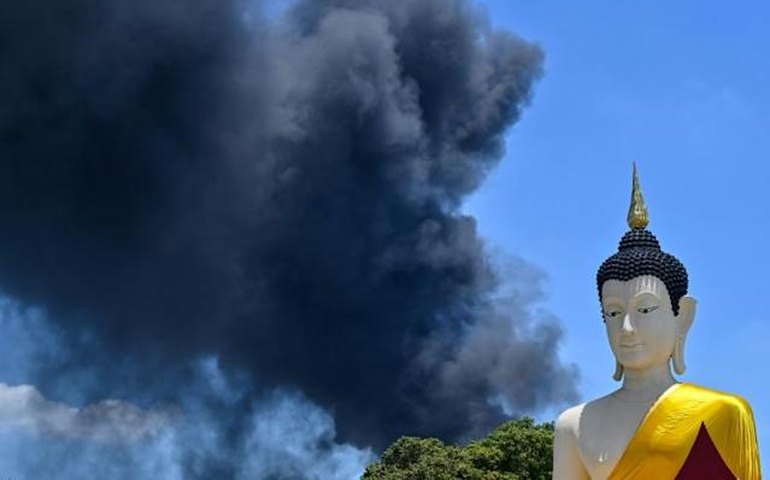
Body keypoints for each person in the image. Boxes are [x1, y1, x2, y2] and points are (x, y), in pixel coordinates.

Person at [552, 165, 761, 480]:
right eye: (612, 313)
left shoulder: (725, 412)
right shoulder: (574, 424)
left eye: (645, 310)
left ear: (683, 317)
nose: (627, 328)